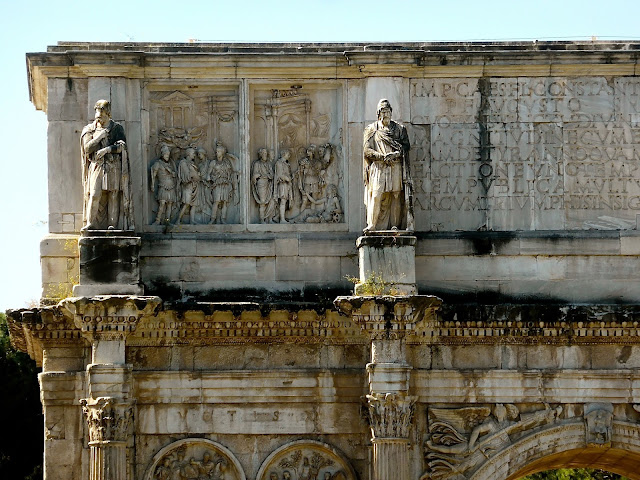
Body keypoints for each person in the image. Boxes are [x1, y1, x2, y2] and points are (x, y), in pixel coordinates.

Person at [81, 99, 132, 230]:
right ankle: (90, 223)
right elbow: (87, 148)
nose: (99, 119)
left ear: (108, 114)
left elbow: (122, 147)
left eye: (102, 116)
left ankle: (112, 225)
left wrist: (107, 149)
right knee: (94, 194)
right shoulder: (90, 130)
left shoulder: (116, 128)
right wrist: (99, 137)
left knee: (113, 194)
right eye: (97, 116)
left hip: (113, 165)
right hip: (97, 166)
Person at [363, 99, 412, 233]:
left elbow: (406, 146)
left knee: (396, 194)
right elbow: (366, 150)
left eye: (388, 111)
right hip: (379, 167)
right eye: (383, 111)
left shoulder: (400, 129)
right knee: (377, 194)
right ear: (378, 113)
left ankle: (395, 225)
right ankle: (372, 224)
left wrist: (396, 154)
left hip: (395, 165)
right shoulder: (371, 129)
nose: (386, 114)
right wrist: (381, 157)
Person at [207, 142, 238, 224]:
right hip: (217, 183)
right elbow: (208, 173)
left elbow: (231, 172)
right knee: (216, 201)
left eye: (219, 151)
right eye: (216, 151)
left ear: (222, 152)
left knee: (225, 202)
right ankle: (213, 218)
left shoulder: (226, 163)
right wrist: (209, 177)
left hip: (225, 183)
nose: (217, 153)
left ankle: (223, 218)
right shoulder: (213, 162)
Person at [150, 144, 178, 225]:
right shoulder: (158, 164)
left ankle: (167, 221)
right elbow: (153, 174)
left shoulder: (170, 164)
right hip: (163, 185)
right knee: (162, 203)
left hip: (171, 186)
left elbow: (174, 174)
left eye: (168, 155)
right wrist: (152, 184)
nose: (167, 156)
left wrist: (173, 174)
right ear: (162, 154)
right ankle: (157, 220)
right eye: (166, 154)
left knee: (169, 204)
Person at [176, 148, 201, 224]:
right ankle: (178, 220)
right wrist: (194, 175)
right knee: (186, 203)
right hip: (187, 186)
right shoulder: (183, 163)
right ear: (188, 154)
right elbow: (187, 175)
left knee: (193, 204)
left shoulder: (191, 164)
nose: (194, 155)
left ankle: (192, 220)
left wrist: (196, 175)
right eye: (193, 153)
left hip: (194, 186)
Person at [251, 148, 274, 223]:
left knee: (271, 200)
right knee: (262, 202)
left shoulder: (268, 164)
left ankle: (269, 219)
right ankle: (261, 220)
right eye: (263, 153)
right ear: (260, 154)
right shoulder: (257, 164)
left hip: (269, 184)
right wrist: (263, 175)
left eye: (266, 153)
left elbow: (272, 175)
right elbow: (255, 175)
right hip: (261, 184)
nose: (265, 154)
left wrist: (263, 175)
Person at [273, 149, 294, 223]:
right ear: (284, 154)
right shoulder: (279, 163)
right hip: (282, 185)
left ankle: (277, 217)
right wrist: (287, 178)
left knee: (286, 202)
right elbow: (280, 175)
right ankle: (282, 219)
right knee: (283, 201)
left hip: (287, 185)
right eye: (288, 154)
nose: (289, 155)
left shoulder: (286, 164)